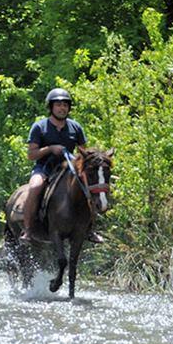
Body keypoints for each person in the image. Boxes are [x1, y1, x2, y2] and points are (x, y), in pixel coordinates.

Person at [19, 88, 104, 244]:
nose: (62, 108)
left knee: (89, 186)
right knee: (35, 186)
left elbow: (83, 152)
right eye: (58, 105)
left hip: (70, 168)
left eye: (65, 105)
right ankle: (28, 229)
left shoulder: (75, 127)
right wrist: (50, 149)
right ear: (51, 107)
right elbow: (31, 154)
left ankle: (90, 228)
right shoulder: (39, 127)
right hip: (45, 167)